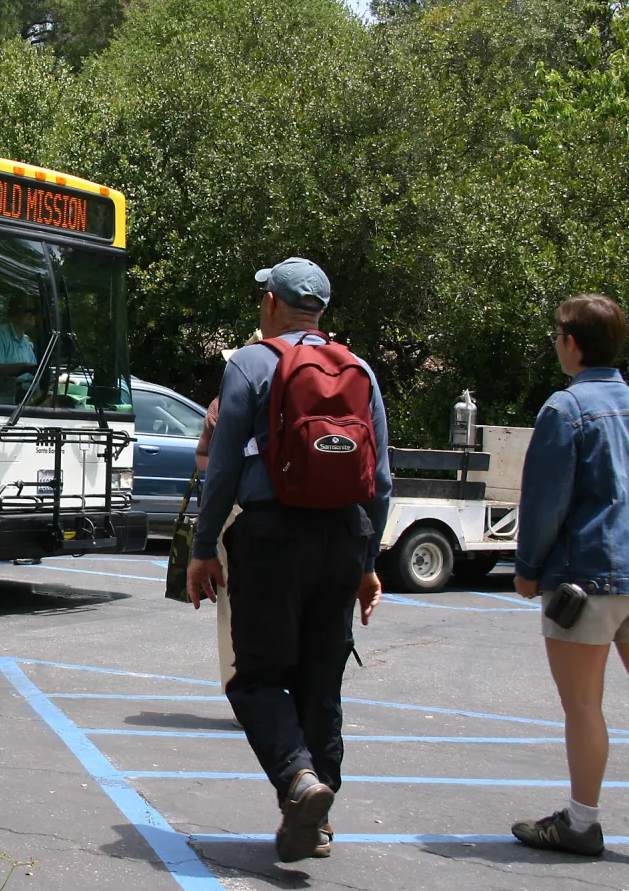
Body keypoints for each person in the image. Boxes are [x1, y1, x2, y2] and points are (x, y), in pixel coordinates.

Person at [186, 257, 390, 863]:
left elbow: (223, 467)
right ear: (320, 311)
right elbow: (380, 480)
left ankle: (299, 782)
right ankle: (316, 821)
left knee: (254, 678)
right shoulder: (359, 370)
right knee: (320, 683)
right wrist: (367, 562)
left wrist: (203, 548)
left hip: (270, 538)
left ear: (271, 303)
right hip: (343, 538)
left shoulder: (250, 363)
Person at [510, 294, 629, 857]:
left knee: (583, 705)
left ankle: (581, 822)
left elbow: (546, 501)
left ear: (572, 343)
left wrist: (528, 569)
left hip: (587, 576)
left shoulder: (566, 408)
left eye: (557, 334)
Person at [195, 331, 261, 705]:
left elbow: (205, 461)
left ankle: (241, 693)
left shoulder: (224, 403)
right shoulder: (302, 396)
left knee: (232, 607)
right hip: (299, 516)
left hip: (237, 513)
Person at [0, 297, 40, 404]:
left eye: (34, 311)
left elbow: (34, 371)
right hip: (4, 397)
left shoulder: (26, 342)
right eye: (28, 310)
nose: (32, 315)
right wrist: (23, 367)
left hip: (27, 395)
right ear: (15, 311)